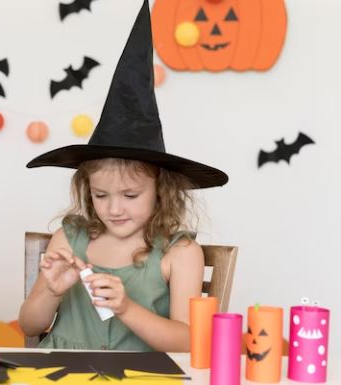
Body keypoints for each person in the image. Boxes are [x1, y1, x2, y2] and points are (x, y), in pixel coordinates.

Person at [18, 0, 228, 351]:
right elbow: (28, 324)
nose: (114, 208)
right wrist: (52, 291)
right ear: (88, 190)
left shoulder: (180, 252)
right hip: (60, 374)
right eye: (101, 195)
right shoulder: (69, 240)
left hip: (142, 382)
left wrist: (126, 307)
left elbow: (189, 342)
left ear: (161, 189)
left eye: (130, 195)